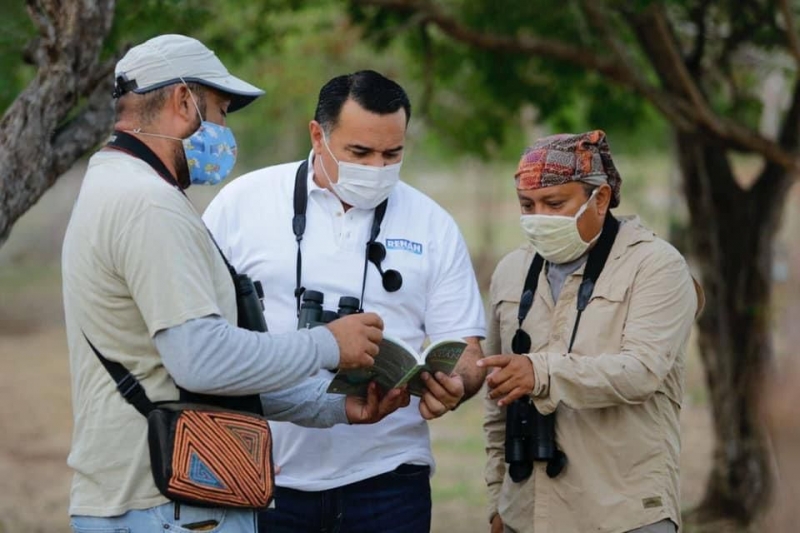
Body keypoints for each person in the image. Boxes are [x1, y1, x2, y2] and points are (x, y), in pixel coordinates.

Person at [62, 35, 408, 533]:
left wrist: (331, 406)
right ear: (184, 101)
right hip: (167, 505)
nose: (224, 131)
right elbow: (201, 360)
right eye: (221, 112)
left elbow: (176, 373)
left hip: (133, 496)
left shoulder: (111, 184)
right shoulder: (149, 204)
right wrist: (328, 345)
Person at [203, 69, 487, 532]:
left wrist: (457, 382)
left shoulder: (433, 224)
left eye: (392, 154)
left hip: (389, 478)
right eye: (360, 152)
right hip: (261, 473)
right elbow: (203, 333)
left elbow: (468, 349)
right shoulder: (240, 204)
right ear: (318, 135)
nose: (377, 168)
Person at [480, 130, 704, 533]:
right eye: (527, 206)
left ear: (599, 199)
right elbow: (497, 398)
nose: (538, 218)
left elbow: (641, 372)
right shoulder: (511, 271)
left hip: (624, 514)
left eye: (554, 203)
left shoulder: (656, 266)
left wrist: (542, 374)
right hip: (524, 513)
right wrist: (499, 496)